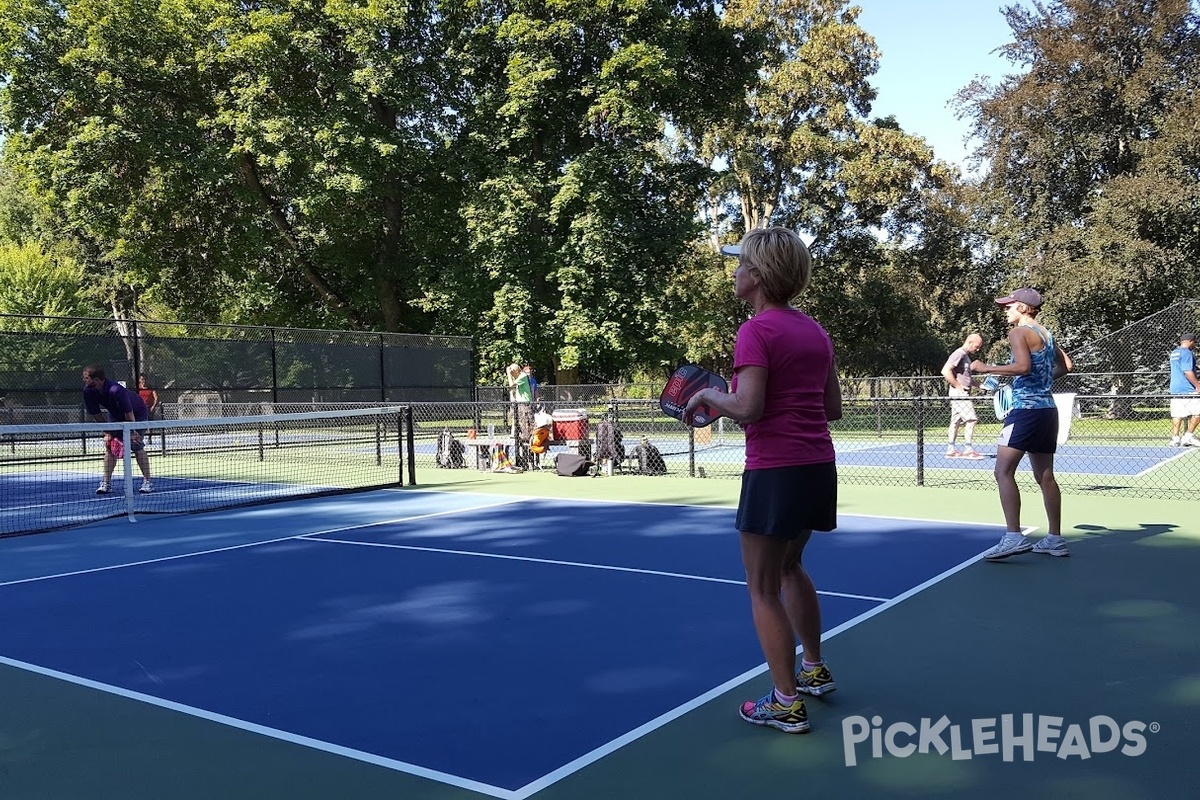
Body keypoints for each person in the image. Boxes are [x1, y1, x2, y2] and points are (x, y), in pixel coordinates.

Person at [683, 227, 841, 735]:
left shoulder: (756, 331)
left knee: (762, 589)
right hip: (818, 467)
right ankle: (813, 671)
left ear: (758, 274)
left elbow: (748, 408)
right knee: (792, 568)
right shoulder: (816, 331)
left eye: (740, 263)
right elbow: (832, 408)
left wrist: (709, 398)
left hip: (774, 471)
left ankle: (784, 701)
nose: (734, 271)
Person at [970, 288, 1072, 560]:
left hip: (1025, 412)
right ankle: (1054, 539)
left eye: (1010, 306)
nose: (1006, 310)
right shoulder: (1046, 334)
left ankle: (1013, 536)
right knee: (1045, 476)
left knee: (1002, 471)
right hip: (1047, 410)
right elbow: (1066, 366)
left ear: (1024, 308)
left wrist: (986, 368)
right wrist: (1043, 381)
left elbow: (1023, 367)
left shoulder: (1017, 333)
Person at [82, 365, 153, 494]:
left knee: (136, 445)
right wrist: (107, 432)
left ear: (97, 379)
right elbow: (96, 415)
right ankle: (106, 484)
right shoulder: (88, 391)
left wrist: (132, 432)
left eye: (86, 378)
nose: (84, 380)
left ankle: (147, 482)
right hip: (115, 415)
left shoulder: (116, 390)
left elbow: (129, 413)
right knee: (109, 446)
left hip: (136, 412)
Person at [941, 334, 984, 459]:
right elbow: (945, 371)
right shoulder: (958, 354)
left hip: (961, 392)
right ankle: (968, 449)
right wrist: (958, 386)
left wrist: (980, 385)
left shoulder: (965, 357)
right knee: (971, 419)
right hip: (959, 393)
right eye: (977, 346)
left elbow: (966, 378)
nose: (978, 349)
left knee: (956, 421)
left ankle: (951, 449)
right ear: (970, 342)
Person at [1168, 332, 1199, 447]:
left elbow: (1182, 366)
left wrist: (1196, 367)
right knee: (1198, 413)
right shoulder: (1187, 353)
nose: (1194, 344)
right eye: (1194, 342)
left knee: (1177, 414)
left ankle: (1175, 438)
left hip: (1175, 388)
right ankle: (1188, 436)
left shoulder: (1174, 353)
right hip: (1188, 388)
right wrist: (1198, 386)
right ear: (1191, 341)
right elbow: (1187, 371)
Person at [136, 374, 159, 443]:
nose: (144, 381)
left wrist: (153, 406)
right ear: (140, 380)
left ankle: (149, 437)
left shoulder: (151, 388)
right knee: (141, 423)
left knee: (150, 423)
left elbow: (156, 398)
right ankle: (140, 437)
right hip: (140, 408)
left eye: (145, 379)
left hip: (149, 408)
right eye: (142, 379)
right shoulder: (138, 388)